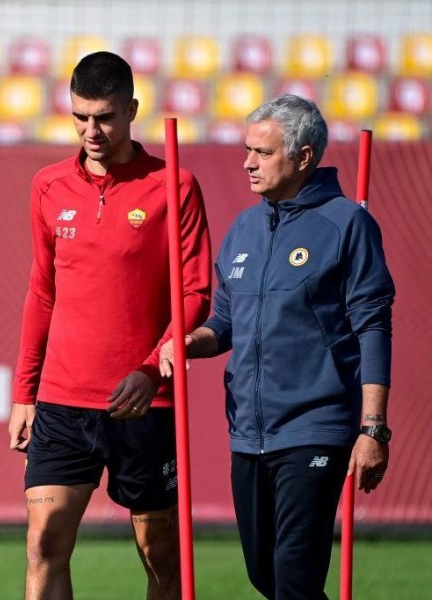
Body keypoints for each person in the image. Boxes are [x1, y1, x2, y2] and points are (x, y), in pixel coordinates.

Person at [159, 94, 395, 599]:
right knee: (265, 575)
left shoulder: (347, 224)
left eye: (262, 153)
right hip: (247, 432)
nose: (247, 162)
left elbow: (374, 326)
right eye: (248, 150)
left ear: (304, 156)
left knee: (294, 576)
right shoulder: (244, 228)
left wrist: (373, 428)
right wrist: (188, 342)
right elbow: (224, 321)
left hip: (316, 429)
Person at [9, 51, 212, 599]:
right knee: (43, 545)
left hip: (146, 403)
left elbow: (195, 293)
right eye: (79, 117)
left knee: (160, 556)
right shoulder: (48, 186)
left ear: (131, 111)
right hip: (62, 401)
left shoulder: (175, 186)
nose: (90, 130)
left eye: (104, 117)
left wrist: (152, 370)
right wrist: (24, 393)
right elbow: (42, 294)